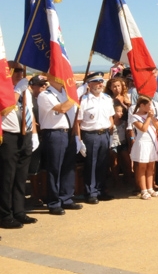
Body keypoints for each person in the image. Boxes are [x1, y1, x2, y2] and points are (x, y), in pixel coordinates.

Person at [38, 73, 82, 215]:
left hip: (68, 133)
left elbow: (73, 116)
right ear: (51, 79)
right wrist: (75, 94)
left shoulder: (65, 94)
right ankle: (54, 202)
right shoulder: (45, 95)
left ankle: (66, 198)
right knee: (55, 168)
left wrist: (76, 136)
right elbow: (62, 108)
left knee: (69, 167)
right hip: (54, 133)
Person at [0, 64, 38, 228]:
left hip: (26, 135)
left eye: (22, 72)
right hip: (9, 136)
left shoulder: (25, 91)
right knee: (7, 178)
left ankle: (19, 211)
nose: (20, 75)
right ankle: (5, 214)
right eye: (16, 72)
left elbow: (29, 111)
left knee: (21, 176)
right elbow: (7, 107)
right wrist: (17, 90)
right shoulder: (4, 91)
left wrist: (34, 133)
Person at [76, 72, 116, 203]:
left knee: (103, 164)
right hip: (90, 135)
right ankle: (91, 192)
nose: (100, 84)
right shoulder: (83, 100)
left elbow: (111, 117)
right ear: (89, 84)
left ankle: (101, 190)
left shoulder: (107, 99)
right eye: (97, 81)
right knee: (91, 165)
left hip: (104, 133)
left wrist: (110, 134)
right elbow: (78, 121)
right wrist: (79, 139)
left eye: (101, 81)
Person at [129, 96, 158, 200]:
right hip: (142, 143)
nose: (150, 107)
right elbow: (143, 128)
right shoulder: (134, 117)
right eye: (148, 105)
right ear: (142, 105)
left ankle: (150, 188)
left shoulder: (150, 115)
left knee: (151, 166)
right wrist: (149, 118)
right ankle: (143, 190)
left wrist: (152, 117)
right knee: (142, 167)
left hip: (151, 143)